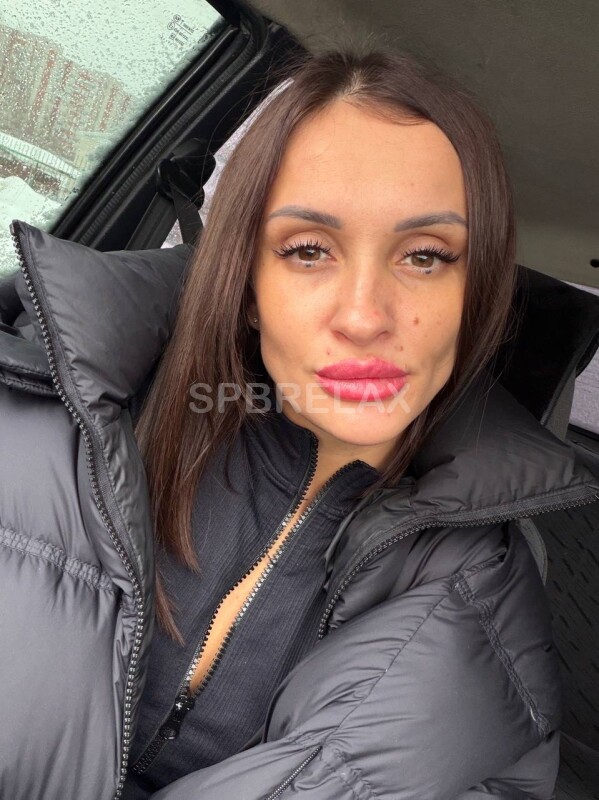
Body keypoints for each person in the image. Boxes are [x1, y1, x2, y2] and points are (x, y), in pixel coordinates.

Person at [2, 51, 598, 800]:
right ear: (248, 286)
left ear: (471, 299)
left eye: (424, 256)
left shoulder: (500, 649)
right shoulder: (37, 420)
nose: (364, 317)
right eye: (308, 250)